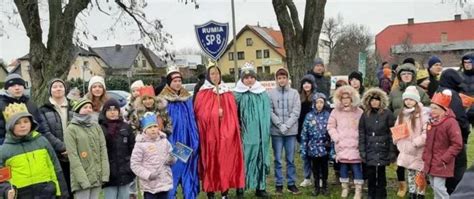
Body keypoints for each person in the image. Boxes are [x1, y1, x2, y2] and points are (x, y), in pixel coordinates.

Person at [194, 63, 245, 198]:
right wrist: (214, 114)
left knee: (225, 162)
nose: (215, 76)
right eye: (212, 74)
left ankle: (224, 191)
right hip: (209, 135)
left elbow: (233, 114)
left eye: (217, 73)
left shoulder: (227, 92)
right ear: (208, 76)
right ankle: (210, 191)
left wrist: (225, 117)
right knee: (210, 161)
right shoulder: (202, 93)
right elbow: (200, 115)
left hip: (225, 135)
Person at [0, 103, 68, 198]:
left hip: (47, 193)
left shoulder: (42, 142)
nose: (23, 125)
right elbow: (2, 178)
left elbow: (56, 168)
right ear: (10, 126)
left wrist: (62, 194)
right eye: (17, 123)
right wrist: (6, 191)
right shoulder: (4, 150)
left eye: (26, 121)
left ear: (32, 123)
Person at [389, 63, 430, 197]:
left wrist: (417, 141)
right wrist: (396, 138)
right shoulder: (394, 92)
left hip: (417, 145)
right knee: (405, 168)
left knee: (419, 171)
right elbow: (391, 110)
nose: (406, 76)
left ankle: (420, 192)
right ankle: (408, 189)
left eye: (408, 74)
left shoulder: (421, 93)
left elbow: (428, 116)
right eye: (403, 74)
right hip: (404, 142)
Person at [158, 68, 200, 199]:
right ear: (169, 82)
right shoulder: (163, 100)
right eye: (175, 81)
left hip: (188, 140)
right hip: (173, 142)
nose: (177, 83)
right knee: (174, 173)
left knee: (189, 173)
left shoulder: (186, 99)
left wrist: (195, 139)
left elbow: (192, 120)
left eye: (179, 81)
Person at [0, 74, 66, 153]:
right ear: (6, 88)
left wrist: (59, 147)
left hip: (34, 149)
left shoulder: (30, 104)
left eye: (20, 84)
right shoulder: (1, 105)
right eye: (12, 85)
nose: (17, 88)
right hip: (10, 152)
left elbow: (42, 129)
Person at [233, 63, 271, 197]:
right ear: (242, 79)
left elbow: (266, 112)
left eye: (251, 77)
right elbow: (233, 115)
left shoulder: (262, 93)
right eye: (246, 77)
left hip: (261, 134)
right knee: (244, 159)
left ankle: (260, 187)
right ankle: (240, 187)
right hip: (246, 134)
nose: (249, 80)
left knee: (260, 158)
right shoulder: (237, 94)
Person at [64, 98, 109, 199]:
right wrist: (83, 180)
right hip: (82, 178)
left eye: (90, 107)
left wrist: (104, 173)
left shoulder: (96, 127)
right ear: (78, 110)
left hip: (97, 175)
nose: (88, 109)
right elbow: (73, 156)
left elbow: (103, 149)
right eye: (85, 107)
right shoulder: (71, 129)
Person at [422, 90, 463, 199]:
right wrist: (425, 156)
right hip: (430, 160)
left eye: (435, 108)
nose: (432, 110)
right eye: (431, 107)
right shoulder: (431, 121)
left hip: (442, 162)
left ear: (443, 109)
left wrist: (444, 159)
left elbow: (457, 144)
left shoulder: (451, 122)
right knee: (434, 186)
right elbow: (428, 141)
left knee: (439, 187)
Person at [436, 69, 470, 194]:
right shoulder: (451, 94)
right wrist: (465, 132)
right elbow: (459, 118)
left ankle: (447, 188)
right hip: (454, 135)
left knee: (447, 163)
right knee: (459, 165)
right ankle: (458, 191)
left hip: (440, 136)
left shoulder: (438, 92)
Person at [268, 67, 302, 195]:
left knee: (290, 159)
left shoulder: (294, 93)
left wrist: (286, 126)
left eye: (284, 78)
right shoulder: (270, 93)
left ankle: (291, 183)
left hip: (290, 132)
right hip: (276, 132)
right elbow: (270, 111)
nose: (282, 80)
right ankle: (279, 184)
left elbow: (296, 111)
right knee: (277, 159)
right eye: (279, 78)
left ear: (288, 79)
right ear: (276, 79)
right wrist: (279, 124)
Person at [359, 88, 396, 199]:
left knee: (381, 174)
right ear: (368, 102)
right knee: (370, 174)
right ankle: (371, 194)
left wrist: (391, 151)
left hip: (382, 149)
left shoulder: (388, 114)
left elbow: (392, 133)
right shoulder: (365, 115)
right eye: (372, 100)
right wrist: (362, 150)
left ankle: (381, 194)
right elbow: (361, 133)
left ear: (381, 101)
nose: (374, 102)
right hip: (369, 148)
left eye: (377, 100)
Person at [328, 85, 364, 199]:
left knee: (356, 167)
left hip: (355, 145)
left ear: (352, 98)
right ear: (340, 99)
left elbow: (364, 127)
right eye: (343, 98)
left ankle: (358, 190)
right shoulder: (335, 112)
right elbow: (330, 126)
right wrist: (336, 137)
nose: (345, 100)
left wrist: (360, 139)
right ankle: (345, 188)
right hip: (341, 144)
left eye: (348, 98)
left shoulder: (359, 112)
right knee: (343, 167)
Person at [39, 78, 74, 196]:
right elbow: (45, 132)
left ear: (65, 89)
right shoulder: (43, 110)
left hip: (75, 154)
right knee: (62, 189)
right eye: (55, 87)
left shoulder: (73, 106)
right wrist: (63, 148)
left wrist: (72, 148)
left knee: (76, 188)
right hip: (56, 154)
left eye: (61, 86)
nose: (58, 88)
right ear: (50, 90)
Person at [131, 112, 176, 199]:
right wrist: (148, 175)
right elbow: (135, 165)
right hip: (150, 186)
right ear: (144, 130)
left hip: (164, 183)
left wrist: (172, 159)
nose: (153, 129)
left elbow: (172, 157)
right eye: (149, 127)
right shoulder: (140, 145)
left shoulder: (164, 141)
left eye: (155, 126)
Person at [99, 99, 135, 199]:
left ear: (119, 111)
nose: (112, 112)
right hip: (108, 173)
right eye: (109, 110)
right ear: (104, 112)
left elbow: (133, 149)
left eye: (115, 110)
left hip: (125, 171)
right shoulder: (99, 128)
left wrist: (130, 167)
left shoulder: (126, 127)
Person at [300, 92, 331, 196]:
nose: (319, 104)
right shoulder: (309, 116)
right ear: (314, 103)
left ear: (324, 103)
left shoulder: (328, 115)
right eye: (317, 102)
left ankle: (325, 186)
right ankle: (316, 186)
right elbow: (304, 133)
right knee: (315, 168)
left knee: (324, 168)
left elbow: (331, 131)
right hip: (312, 148)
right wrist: (304, 148)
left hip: (324, 147)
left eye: (321, 102)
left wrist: (331, 147)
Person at [298, 74, 318, 188]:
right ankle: (307, 178)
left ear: (312, 84)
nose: (306, 85)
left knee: (315, 156)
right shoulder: (299, 98)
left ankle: (317, 177)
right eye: (304, 83)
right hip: (302, 130)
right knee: (305, 156)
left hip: (315, 130)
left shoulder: (316, 97)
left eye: (308, 83)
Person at [459, 53, 474, 127]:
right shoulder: (458, 76)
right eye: (465, 62)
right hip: (463, 111)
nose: (467, 64)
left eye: (469, 62)